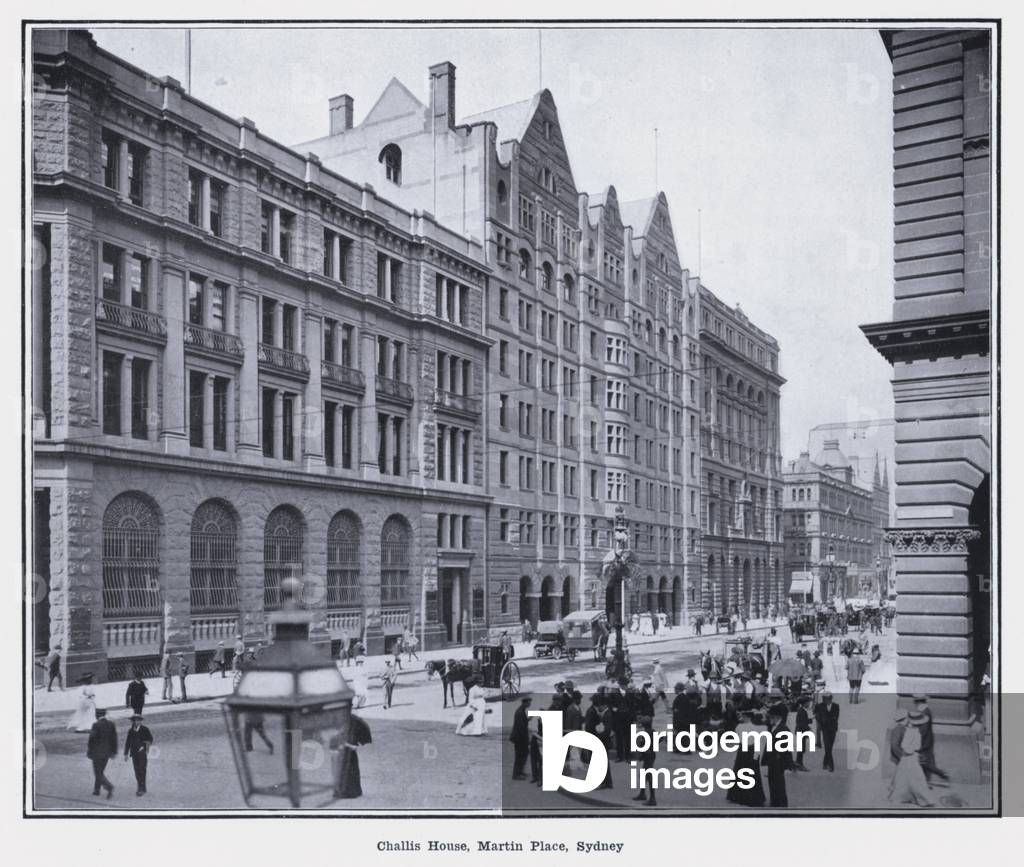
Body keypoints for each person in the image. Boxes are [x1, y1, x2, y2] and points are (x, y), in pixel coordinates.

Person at [888, 711, 937, 807]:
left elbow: (905, 745)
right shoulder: (911, 731)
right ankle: (925, 799)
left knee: (905, 778)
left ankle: (905, 796)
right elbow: (911, 746)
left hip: (908, 757)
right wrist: (911, 751)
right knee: (917, 778)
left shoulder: (908, 730)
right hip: (910, 757)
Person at [727, 711, 767, 807]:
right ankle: (748, 796)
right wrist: (756, 755)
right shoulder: (755, 728)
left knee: (743, 771)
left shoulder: (741, 727)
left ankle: (739, 796)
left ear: (749, 718)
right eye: (742, 716)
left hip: (744, 751)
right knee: (749, 772)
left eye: (744, 716)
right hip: (749, 750)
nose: (743, 718)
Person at [913, 694, 950, 786]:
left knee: (925, 763)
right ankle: (924, 782)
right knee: (923, 763)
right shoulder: (925, 711)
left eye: (916, 702)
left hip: (924, 742)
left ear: (920, 702)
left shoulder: (925, 712)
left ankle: (943, 774)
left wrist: (918, 740)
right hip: (926, 741)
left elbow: (923, 730)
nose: (915, 704)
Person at [332, 714, 371, 798]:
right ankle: (347, 791)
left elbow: (353, 746)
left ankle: (347, 791)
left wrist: (347, 744)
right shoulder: (351, 721)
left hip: (347, 753)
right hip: (344, 752)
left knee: (346, 771)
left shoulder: (351, 723)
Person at [762, 704, 793, 806]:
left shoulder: (783, 729)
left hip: (777, 760)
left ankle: (780, 804)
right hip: (773, 760)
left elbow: (784, 749)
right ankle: (775, 802)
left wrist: (785, 763)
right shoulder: (775, 727)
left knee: (778, 783)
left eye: (771, 717)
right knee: (773, 782)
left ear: (777, 717)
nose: (769, 719)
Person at [86, 708, 117, 798]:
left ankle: (109, 786)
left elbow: (91, 739)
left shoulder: (96, 725)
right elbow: (114, 739)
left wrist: (89, 750)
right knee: (100, 771)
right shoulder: (111, 724)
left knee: (98, 772)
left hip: (97, 753)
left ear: (97, 715)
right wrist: (113, 752)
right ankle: (96, 790)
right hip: (107, 753)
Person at [123, 713, 154, 796]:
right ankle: (141, 787)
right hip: (134, 753)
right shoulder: (131, 731)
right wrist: (126, 753)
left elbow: (150, 739)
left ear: (140, 721)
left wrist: (144, 746)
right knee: (137, 771)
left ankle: (141, 788)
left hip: (142, 753)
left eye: (138, 720)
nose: (136, 722)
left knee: (142, 770)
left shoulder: (145, 729)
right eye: (134, 721)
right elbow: (128, 742)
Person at [814, 690, 840, 772]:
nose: (827, 700)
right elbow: (816, 715)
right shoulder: (819, 706)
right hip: (825, 729)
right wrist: (822, 721)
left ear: (831, 698)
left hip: (833, 729)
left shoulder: (836, 706)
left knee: (829, 747)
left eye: (828, 699)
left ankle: (825, 763)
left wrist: (826, 719)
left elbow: (836, 717)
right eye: (825, 699)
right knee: (827, 747)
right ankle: (831, 765)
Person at [510, 696, 532, 780]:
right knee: (520, 756)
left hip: (520, 737)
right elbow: (520, 728)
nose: (529, 704)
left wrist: (527, 720)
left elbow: (522, 723)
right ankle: (516, 774)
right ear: (525, 703)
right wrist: (526, 739)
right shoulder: (520, 712)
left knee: (523, 755)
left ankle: (520, 772)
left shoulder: (521, 711)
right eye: (529, 703)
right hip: (520, 738)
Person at [793, 696, 813, 771]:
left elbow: (803, 721)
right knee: (801, 749)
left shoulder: (802, 710)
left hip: (800, 731)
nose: (809, 704)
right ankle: (799, 764)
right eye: (808, 702)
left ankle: (797, 763)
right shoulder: (802, 711)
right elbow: (801, 723)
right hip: (801, 732)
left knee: (801, 749)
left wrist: (810, 720)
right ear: (805, 703)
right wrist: (808, 729)